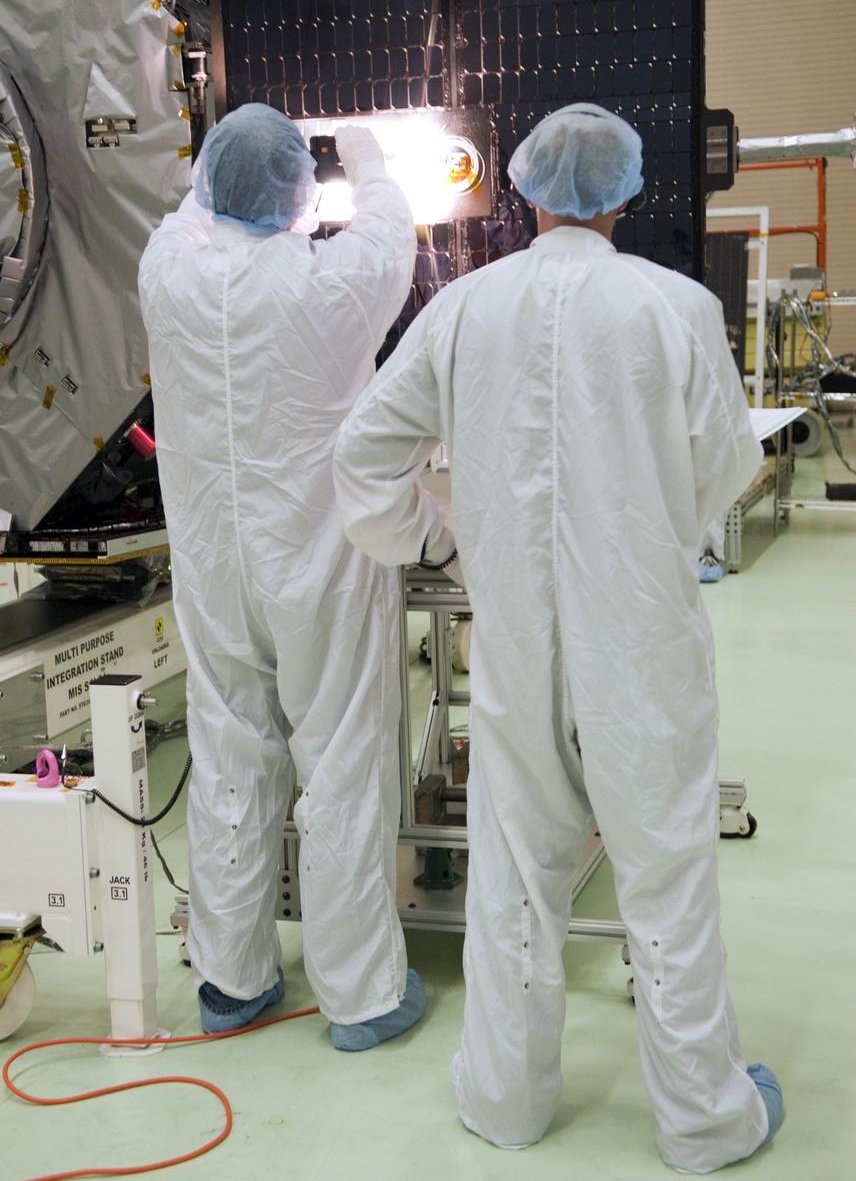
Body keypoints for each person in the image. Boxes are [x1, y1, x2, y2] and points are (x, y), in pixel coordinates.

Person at [333, 105, 784, 1169]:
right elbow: (724, 467)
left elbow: (363, 457)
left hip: (515, 636)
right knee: (663, 864)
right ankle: (704, 1118)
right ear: (624, 193)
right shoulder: (673, 305)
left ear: (527, 189)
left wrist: (437, 542)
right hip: (639, 633)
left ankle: (506, 1100)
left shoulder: (461, 309)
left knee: (515, 867)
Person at [138, 104, 426, 1049]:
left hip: (214, 564)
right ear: (301, 193)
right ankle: (362, 996)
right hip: (320, 566)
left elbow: (194, 206)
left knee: (230, 750)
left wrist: (246, 157)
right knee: (339, 758)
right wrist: (367, 151)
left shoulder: (165, 269)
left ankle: (231, 981)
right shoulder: (332, 285)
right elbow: (390, 229)